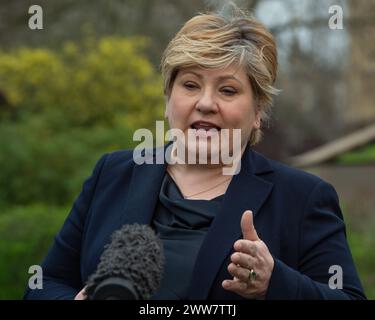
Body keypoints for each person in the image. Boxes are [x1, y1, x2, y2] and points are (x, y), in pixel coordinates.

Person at [24, 5, 366, 300]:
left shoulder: (302, 198)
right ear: (168, 97)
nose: (205, 103)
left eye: (228, 90)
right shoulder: (113, 173)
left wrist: (274, 283)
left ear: (258, 111)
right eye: (190, 85)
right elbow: (45, 283)